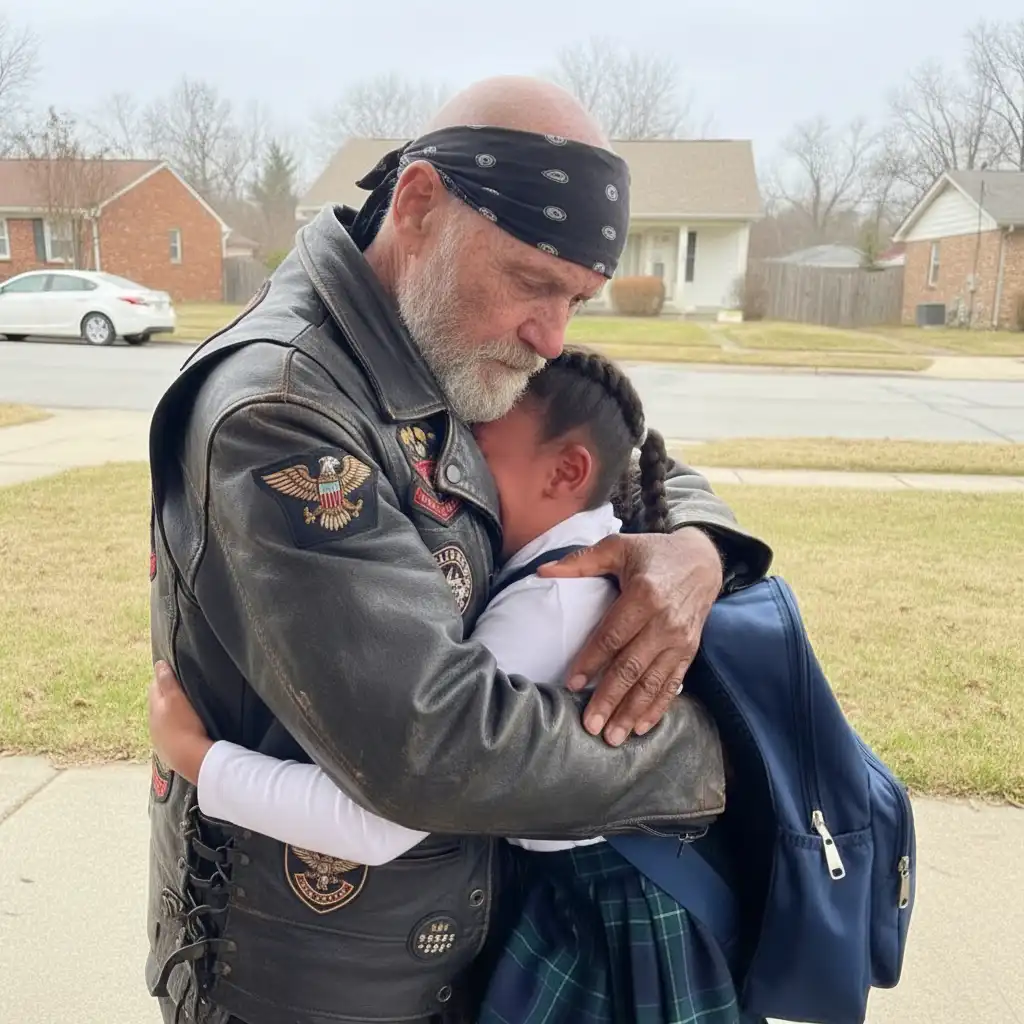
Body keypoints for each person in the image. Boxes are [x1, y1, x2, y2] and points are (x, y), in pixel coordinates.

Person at [145, 74, 772, 1024]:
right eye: (533, 282)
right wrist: (714, 750)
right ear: (418, 205)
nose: (551, 337)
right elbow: (431, 750)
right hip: (315, 984)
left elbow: (612, 449)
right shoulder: (282, 412)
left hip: (460, 953)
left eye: (577, 300)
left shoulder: (442, 331)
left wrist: (697, 546)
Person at [149, 346, 741, 1023]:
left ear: (567, 471)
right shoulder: (604, 543)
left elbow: (382, 822)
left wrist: (199, 759)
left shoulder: (549, 603)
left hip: (598, 924)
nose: (450, 484)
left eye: (477, 458)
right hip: (634, 886)